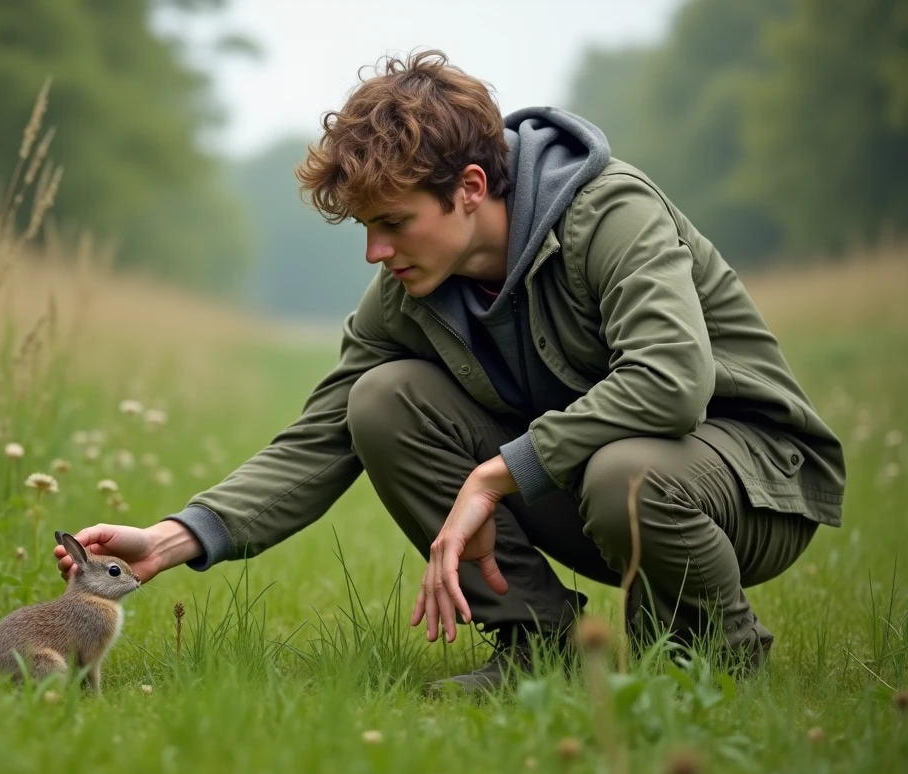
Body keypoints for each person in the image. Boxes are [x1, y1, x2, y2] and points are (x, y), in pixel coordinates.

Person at [54, 50, 846, 694]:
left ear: (471, 189)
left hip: (751, 484)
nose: (376, 251)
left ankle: (713, 664)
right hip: (604, 481)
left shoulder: (610, 212)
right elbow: (320, 436)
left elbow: (672, 382)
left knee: (625, 471)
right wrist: (175, 536)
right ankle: (539, 651)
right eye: (367, 228)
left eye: (393, 223)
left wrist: (497, 474)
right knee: (381, 400)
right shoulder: (407, 294)